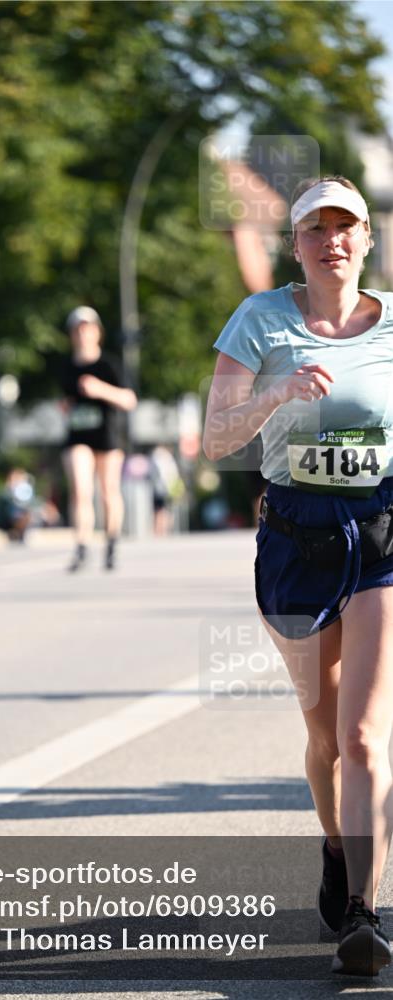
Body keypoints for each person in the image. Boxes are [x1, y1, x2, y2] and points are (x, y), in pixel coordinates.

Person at [203, 176, 393, 976]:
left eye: (344, 227)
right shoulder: (260, 320)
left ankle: (362, 911)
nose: (332, 241)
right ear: (295, 246)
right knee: (320, 736)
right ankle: (332, 843)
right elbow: (214, 438)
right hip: (294, 535)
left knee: (360, 735)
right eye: (314, 229)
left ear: (366, 239)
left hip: (380, 532)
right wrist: (276, 394)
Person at [60, 306, 137, 571]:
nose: (83, 334)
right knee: (81, 490)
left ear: (97, 332)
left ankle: (111, 542)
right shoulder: (66, 367)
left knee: (108, 491)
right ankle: (81, 546)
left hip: (107, 436)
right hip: (77, 436)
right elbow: (65, 400)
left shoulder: (108, 365)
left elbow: (129, 400)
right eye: (78, 329)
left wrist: (99, 389)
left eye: (87, 328)